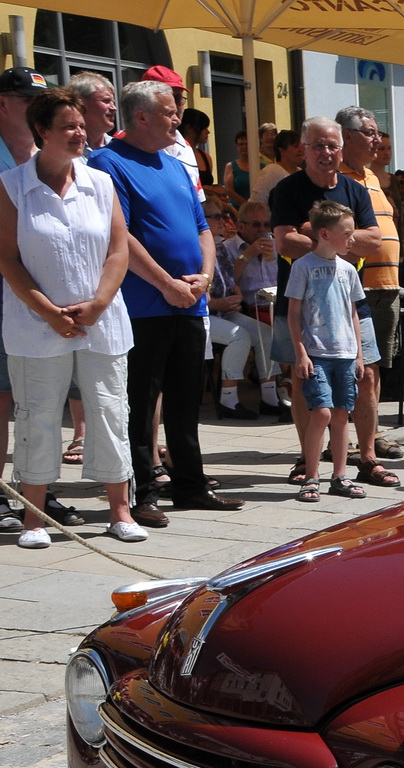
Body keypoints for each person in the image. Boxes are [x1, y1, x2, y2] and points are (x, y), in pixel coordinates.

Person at [0, 87, 141, 547]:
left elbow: (119, 249)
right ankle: (33, 517)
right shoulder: (12, 185)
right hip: (36, 324)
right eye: (69, 127)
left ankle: (120, 510)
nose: (80, 134)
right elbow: (7, 258)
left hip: (103, 319)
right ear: (42, 131)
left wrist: (97, 303)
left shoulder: (100, 182)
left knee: (110, 412)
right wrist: (49, 312)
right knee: (36, 415)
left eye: (81, 125)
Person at [88, 80, 240, 526]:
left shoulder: (176, 166)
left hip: (190, 302)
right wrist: (166, 284)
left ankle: (190, 485)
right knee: (140, 399)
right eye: (171, 112)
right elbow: (122, 236)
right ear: (142, 117)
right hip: (144, 305)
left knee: (185, 399)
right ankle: (142, 490)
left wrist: (205, 277)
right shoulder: (108, 163)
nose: (178, 120)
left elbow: (203, 228)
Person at [267, 116, 385, 487]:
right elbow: (284, 242)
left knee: (365, 376)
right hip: (301, 305)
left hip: (350, 304)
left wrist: (315, 239)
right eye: (317, 145)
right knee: (303, 381)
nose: (326, 152)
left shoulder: (355, 190)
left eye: (332, 145)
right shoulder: (287, 190)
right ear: (303, 149)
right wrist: (339, 245)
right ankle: (309, 460)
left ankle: (367, 459)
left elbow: (375, 240)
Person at [0, 66, 49, 536]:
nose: (39, 110)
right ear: (3, 103)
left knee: (39, 399)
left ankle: (37, 491)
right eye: (29, 100)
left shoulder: (53, 148)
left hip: (46, 292)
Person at [336, 106, 404, 471]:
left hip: (387, 283)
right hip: (358, 285)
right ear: (347, 136)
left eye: (378, 133)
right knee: (353, 365)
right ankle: (344, 438)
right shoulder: (338, 178)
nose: (377, 139)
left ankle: (371, 434)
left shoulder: (373, 178)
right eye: (370, 132)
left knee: (376, 366)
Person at [285, 199, 366, 502]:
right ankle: (311, 473)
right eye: (346, 234)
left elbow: (353, 313)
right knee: (320, 412)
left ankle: (340, 474)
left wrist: (358, 353)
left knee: (342, 414)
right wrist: (301, 352)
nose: (351, 239)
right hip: (317, 351)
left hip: (345, 352)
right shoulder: (303, 267)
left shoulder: (348, 270)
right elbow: (294, 312)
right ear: (324, 233)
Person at [204, 198, 271, 417]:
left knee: (265, 334)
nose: (223, 222)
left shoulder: (218, 245)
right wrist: (215, 303)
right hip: (202, 314)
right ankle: (229, 400)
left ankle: (270, 397)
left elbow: (227, 277)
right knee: (239, 336)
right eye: (216, 217)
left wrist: (236, 292)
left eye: (223, 216)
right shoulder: (195, 246)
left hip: (224, 310)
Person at [223, 198, 287, 420]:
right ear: (240, 226)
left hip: (274, 304)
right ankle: (271, 395)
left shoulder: (275, 245)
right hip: (244, 308)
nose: (262, 230)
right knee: (267, 332)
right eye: (255, 225)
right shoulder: (227, 249)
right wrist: (248, 254)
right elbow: (225, 282)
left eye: (266, 225)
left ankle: (281, 389)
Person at [138, 67, 203, 205]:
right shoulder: (127, 147)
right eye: (171, 97)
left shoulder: (186, 148)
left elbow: (198, 200)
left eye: (179, 98)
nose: (175, 105)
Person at [67, 73, 115, 150]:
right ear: (80, 103)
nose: (114, 108)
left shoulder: (118, 148)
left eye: (113, 102)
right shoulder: (65, 152)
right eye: (106, 101)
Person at [255, 127, 300, 203]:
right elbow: (257, 203)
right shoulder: (271, 171)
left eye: (302, 146)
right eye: (295, 146)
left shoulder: (301, 172)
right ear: (282, 150)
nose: (301, 150)